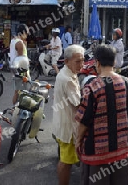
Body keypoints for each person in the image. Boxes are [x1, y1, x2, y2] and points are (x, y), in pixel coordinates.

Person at [75, 45, 128, 185]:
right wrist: (124, 136)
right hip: (120, 149)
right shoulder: (127, 83)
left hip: (97, 152)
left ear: (97, 62)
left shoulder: (92, 87)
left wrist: (78, 141)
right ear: (114, 62)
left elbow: (84, 120)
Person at [52, 44, 85, 185]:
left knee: (67, 160)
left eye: (83, 60)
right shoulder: (68, 79)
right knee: (66, 162)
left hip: (63, 123)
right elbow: (78, 103)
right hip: (68, 127)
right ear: (66, 61)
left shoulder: (67, 73)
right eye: (77, 61)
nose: (81, 64)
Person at [9, 24, 29, 104]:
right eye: (26, 33)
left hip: (15, 69)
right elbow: (21, 59)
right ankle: (16, 110)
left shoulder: (13, 40)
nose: (27, 35)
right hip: (21, 70)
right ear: (23, 32)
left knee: (17, 91)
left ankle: (15, 109)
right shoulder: (19, 43)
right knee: (19, 92)